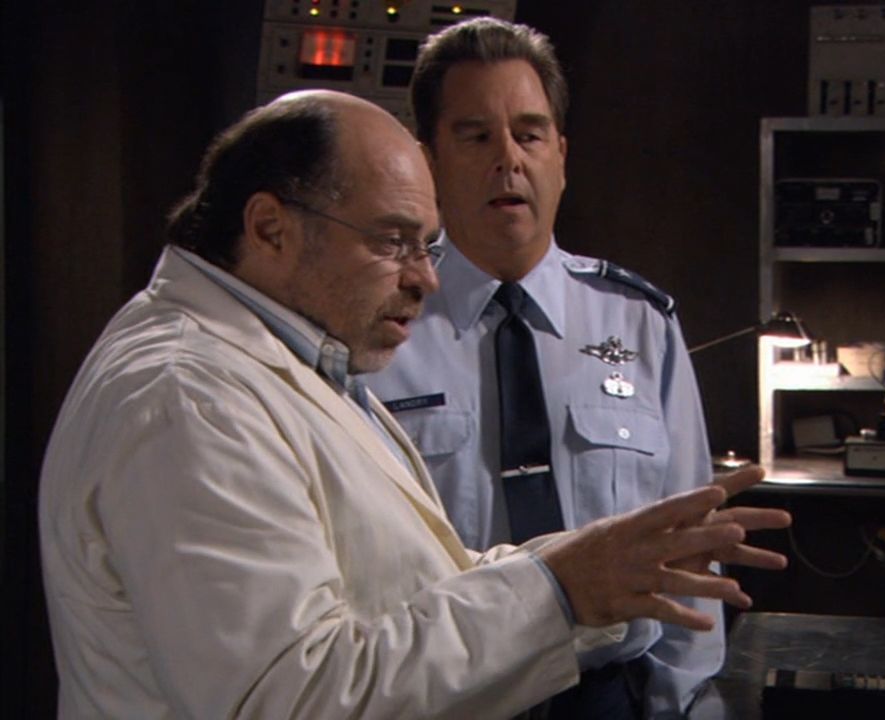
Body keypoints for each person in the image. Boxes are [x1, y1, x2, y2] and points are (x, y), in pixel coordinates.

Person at [38, 89, 790, 719]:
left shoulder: (291, 362)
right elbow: (286, 699)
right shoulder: (188, 397)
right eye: (393, 241)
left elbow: (420, 586)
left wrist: (591, 566)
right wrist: (559, 590)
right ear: (270, 228)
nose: (426, 279)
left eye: (425, 246)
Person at [368, 18, 722, 718]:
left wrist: (679, 705)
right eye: (476, 136)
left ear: (560, 154)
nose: (508, 159)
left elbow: (689, 548)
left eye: (529, 135)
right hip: (444, 697)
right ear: (427, 161)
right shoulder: (377, 329)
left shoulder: (639, 323)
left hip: (608, 696)